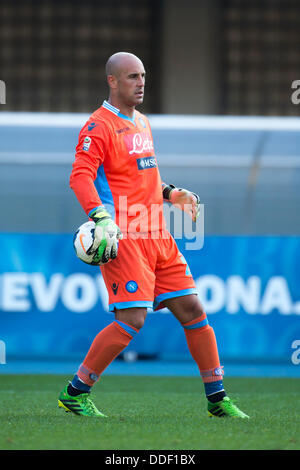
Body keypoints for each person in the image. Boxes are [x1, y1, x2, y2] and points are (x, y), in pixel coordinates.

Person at [58, 52, 249, 419]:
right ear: (112, 81)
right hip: (125, 235)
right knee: (132, 320)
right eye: (132, 76)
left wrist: (172, 193)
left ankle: (218, 399)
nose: (141, 82)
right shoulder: (98, 127)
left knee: (193, 310)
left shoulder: (142, 122)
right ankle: (75, 392)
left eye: (143, 75)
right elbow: (80, 176)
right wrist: (100, 216)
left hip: (160, 235)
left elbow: (144, 178)